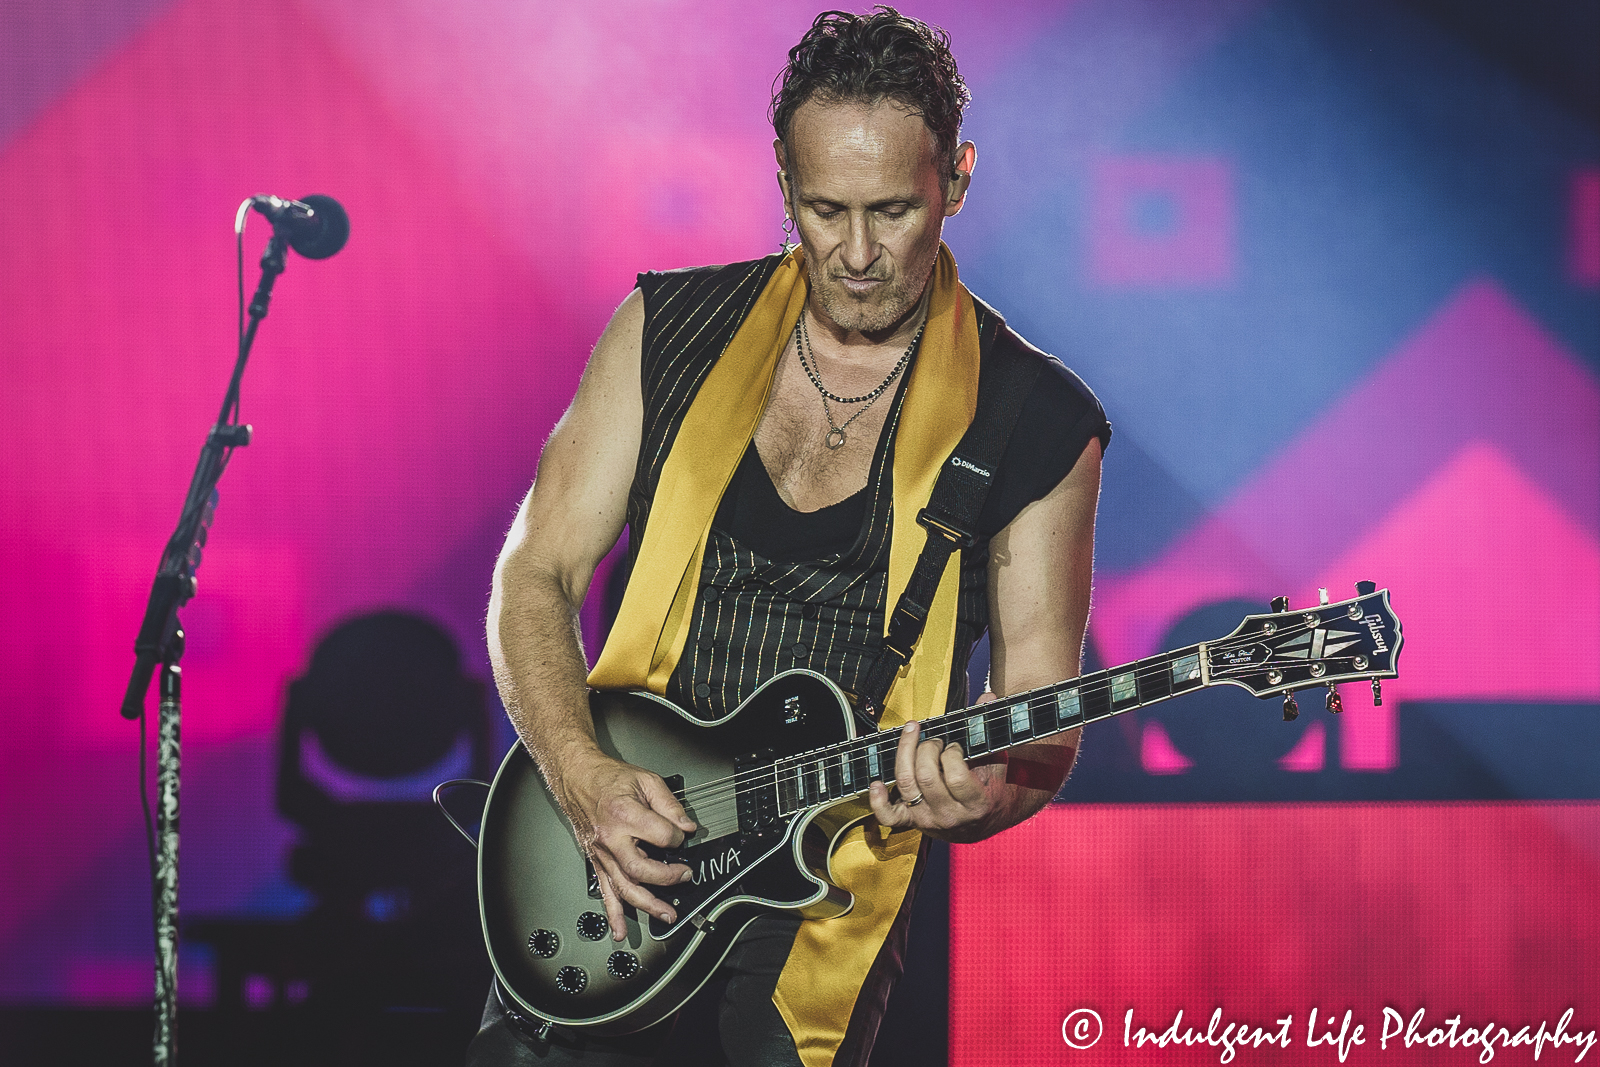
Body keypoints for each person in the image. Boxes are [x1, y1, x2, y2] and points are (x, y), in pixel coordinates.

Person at [473, 8, 1108, 1066]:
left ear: (956, 177)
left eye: (895, 211)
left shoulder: (1034, 417)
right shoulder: (665, 330)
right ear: (781, 180)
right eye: (826, 209)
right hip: (610, 836)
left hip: (825, 884)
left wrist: (977, 794)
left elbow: (1040, 714)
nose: (857, 255)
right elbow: (534, 571)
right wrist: (580, 774)